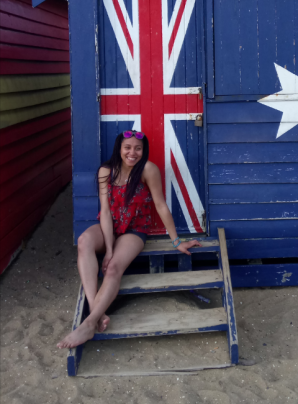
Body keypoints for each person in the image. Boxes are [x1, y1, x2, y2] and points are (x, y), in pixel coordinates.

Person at [57, 130, 201, 348]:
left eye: (138, 148)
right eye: (127, 147)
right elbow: (105, 212)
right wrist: (109, 248)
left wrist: (176, 241)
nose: (132, 153)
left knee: (113, 268)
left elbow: (160, 205)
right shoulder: (106, 171)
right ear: (119, 149)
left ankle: (88, 322)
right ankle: (99, 311)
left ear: (143, 151)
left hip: (135, 229)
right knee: (85, 241)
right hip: (110, 226)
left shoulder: (148, 169)